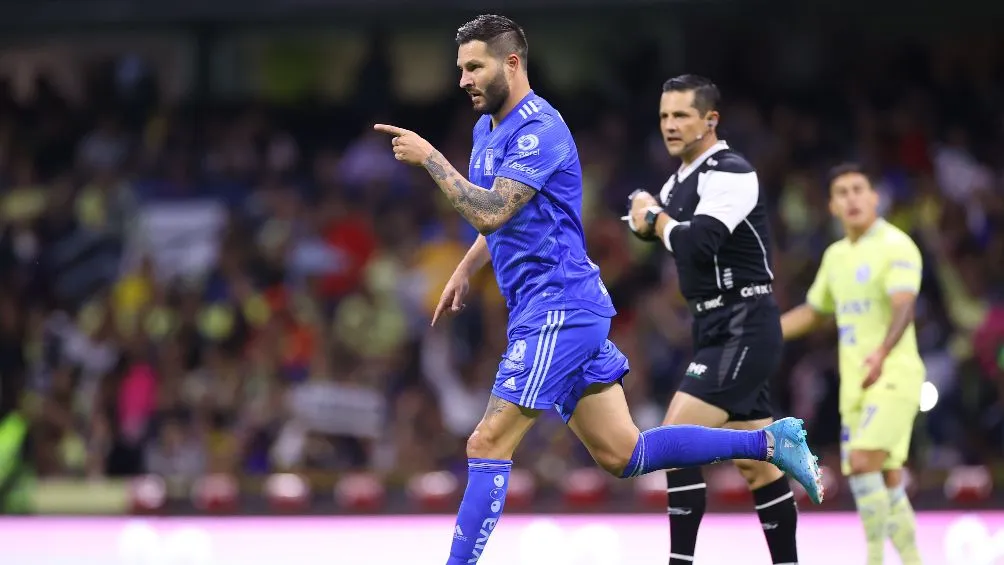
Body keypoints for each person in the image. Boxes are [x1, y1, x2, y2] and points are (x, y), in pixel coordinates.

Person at [374, 15, 823, 565]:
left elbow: (491, 210)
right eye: (460, 68)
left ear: (511, 64)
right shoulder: (486, 130)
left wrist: (431, 161)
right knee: (624, 452)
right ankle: (770, 441)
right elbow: (508, 218)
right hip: (545, 308)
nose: (463, 79)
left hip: (558, 307)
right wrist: (468, 265)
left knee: (486, 444)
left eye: (475, 66)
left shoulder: (541, 129)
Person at [625, 74, 811, 565]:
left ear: (710, 120)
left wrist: (654, 218)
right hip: (712, 327)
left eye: (682, 114)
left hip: (744, 324)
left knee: (671, 441)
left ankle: (679, 561)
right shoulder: (677, 181)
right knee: (757, 467)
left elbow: (695, 242)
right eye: (665, 115)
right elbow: (663, 236)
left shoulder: (731, 171)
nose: (670, 124)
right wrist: (645, 218)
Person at [779, 163, 924, 565]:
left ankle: (874, 558)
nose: (852, 198)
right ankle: (913, 559)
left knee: (862, 465)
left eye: (859, 189)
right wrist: (770, 332)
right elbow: (814, 310)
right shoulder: (836, 256)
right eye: (842, 192)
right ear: (831, 206)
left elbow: (904, 305)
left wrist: (881, 352)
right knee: (888, 478)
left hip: (894, 375)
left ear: (875, 197)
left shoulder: (897, 246)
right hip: (855, 385)